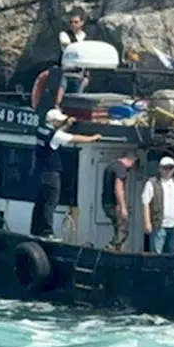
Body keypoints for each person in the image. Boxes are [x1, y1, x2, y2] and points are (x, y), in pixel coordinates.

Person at [31, 108, 101, 239]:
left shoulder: (41, 130)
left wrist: (66, 126)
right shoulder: (55, 135)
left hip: (40, 172)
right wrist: (93, 138)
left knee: (40, 202)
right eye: (59, 121)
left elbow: (56, 135)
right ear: (53, 121)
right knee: (50, 203)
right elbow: (74, 138)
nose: (60, 122)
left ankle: (36, 230)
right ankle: (47, 232)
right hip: (51, 174)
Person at [142, 156, 174, 254]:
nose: (168, 171)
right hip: (158, 225)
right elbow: (146, 203)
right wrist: (147, 222)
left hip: (173, 226)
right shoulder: (152, 183)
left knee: (171, 254)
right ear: (160, 169)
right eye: (165, 168)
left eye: (171, 168)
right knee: (157, 254)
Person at [101, 151, 138, 251]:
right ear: (132, 161)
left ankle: (117, 250)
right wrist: (123, 207)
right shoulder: (121, 168)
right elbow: (118, 187)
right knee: (123, 230)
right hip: (115, 204)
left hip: (106, 203)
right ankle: (110, 247)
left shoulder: (110, 166)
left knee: (117, 229)